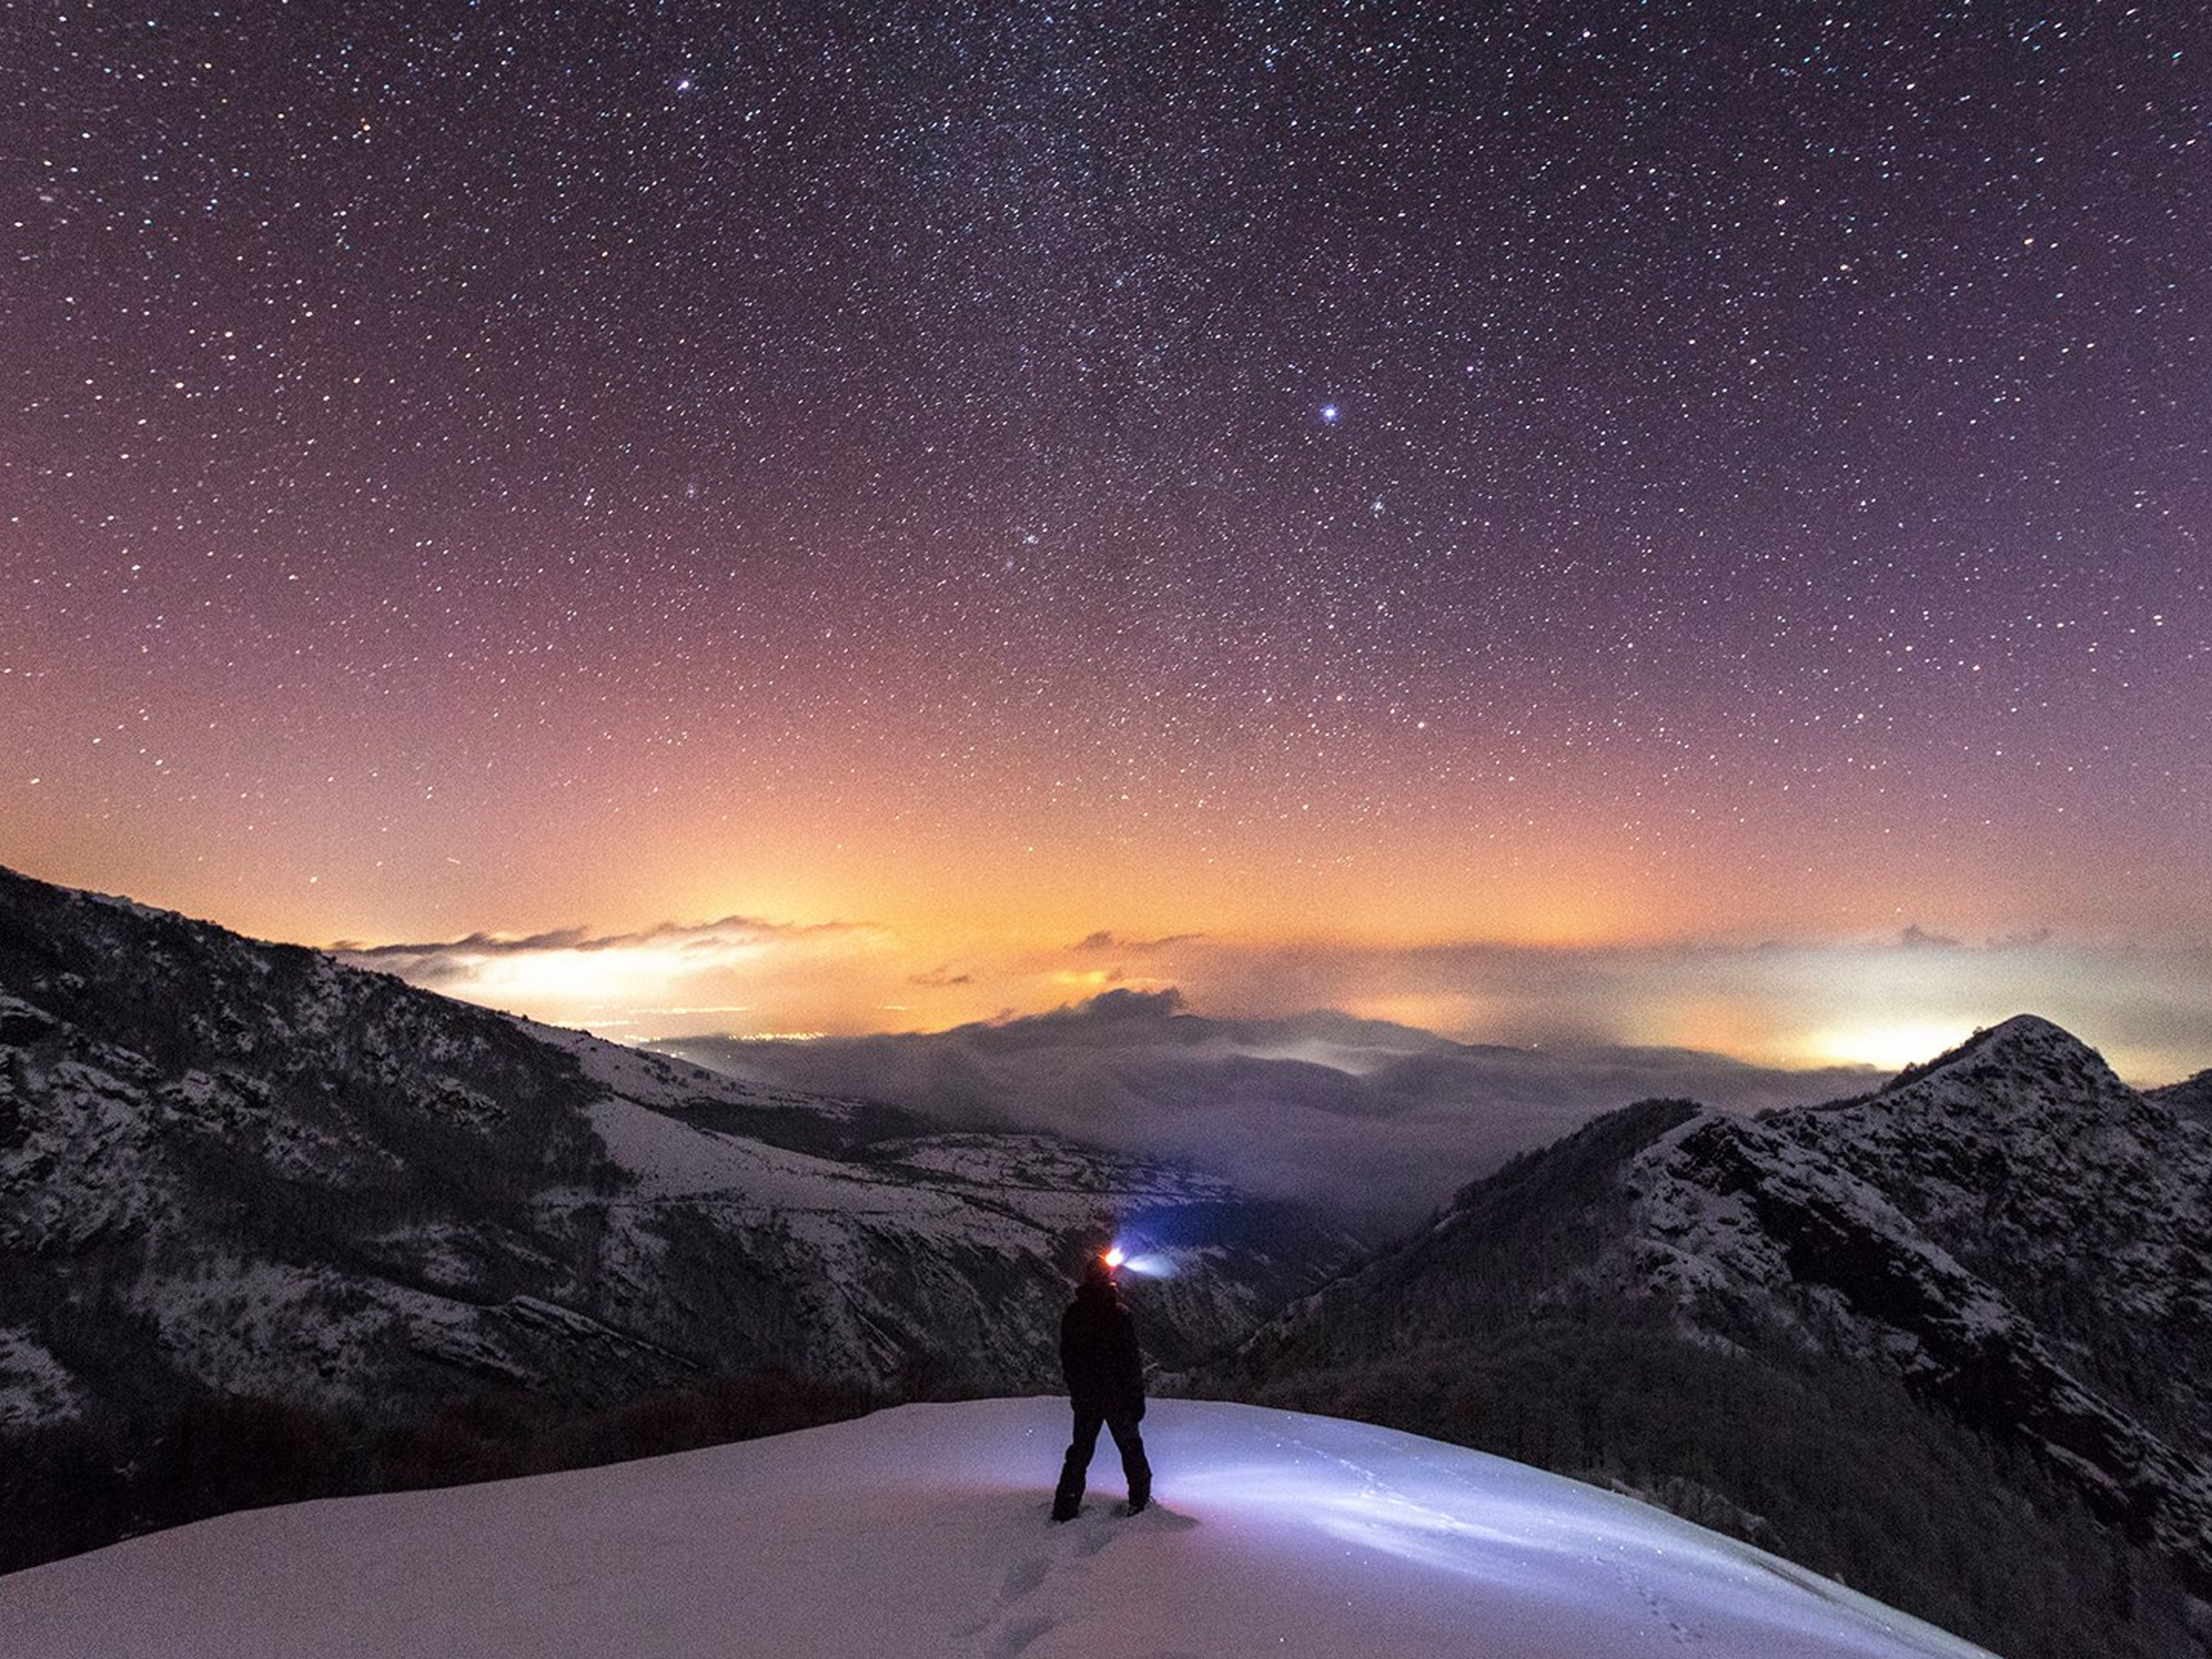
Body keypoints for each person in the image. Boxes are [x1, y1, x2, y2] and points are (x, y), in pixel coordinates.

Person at [1051, 1252, 1151, 1522]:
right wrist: (1136, 1397)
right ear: (1108, 1279)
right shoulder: (1119, 1314)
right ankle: (1140, 1503)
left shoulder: (1073, 1314)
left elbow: (1068, 1359)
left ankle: (1065, 1507)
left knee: (1080, 1451)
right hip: (1117, 1396)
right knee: (1131, 1447)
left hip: (1086, 1397)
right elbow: (1130, 1361)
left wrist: (1076, 1390)